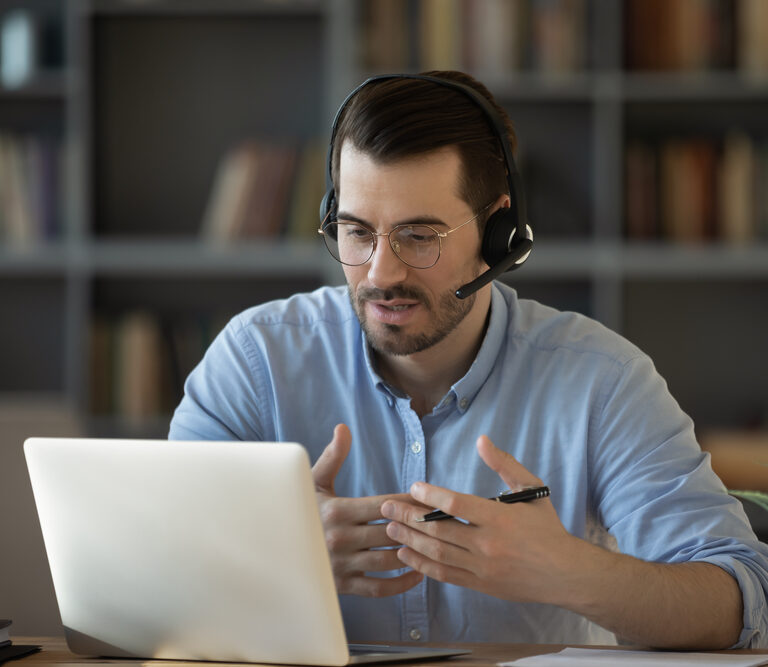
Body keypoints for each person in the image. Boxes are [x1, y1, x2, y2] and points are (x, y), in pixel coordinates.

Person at [169, 71, 768, 649]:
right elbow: (149, 563)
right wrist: (276, 548)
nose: (380, 273)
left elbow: (740, 599)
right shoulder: (255, 360)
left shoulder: (601, 381)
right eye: (355, 232)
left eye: (419, 236)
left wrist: (566, 570)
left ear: (498, 232)